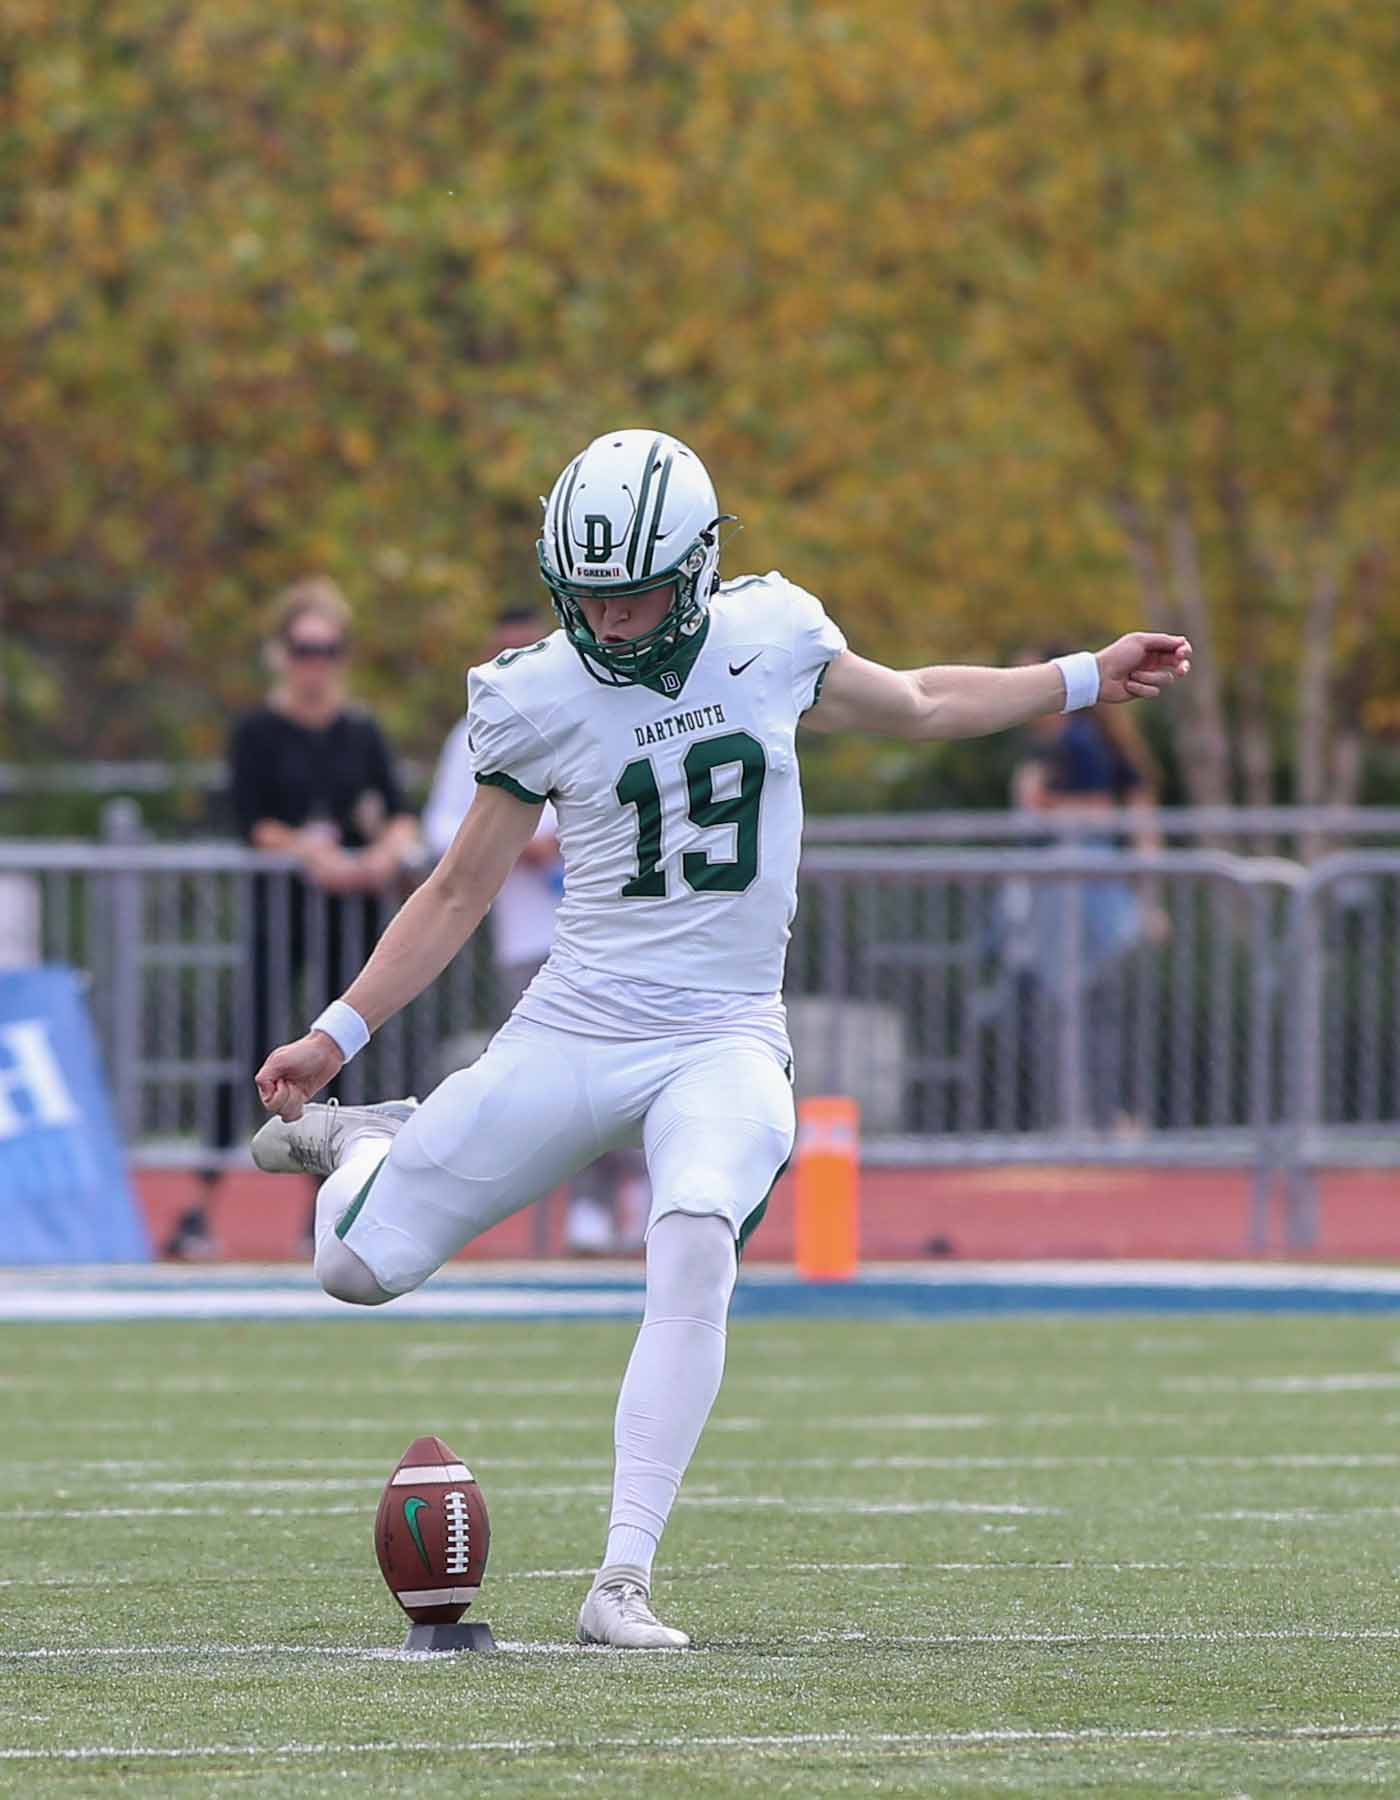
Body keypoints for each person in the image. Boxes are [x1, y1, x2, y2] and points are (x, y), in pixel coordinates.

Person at [250, 429, 1191, 1646]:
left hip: (722, 1034)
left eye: (632, 590)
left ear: (696, 566)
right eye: (585, 594)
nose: (609, 618)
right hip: (575, 1026)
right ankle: (365, 1147)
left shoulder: (772, 633)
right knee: (355, 1271)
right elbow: (453, 891)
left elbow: (914, 700)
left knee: (693, 1236)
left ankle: (619, 1582)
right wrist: (337, 1036)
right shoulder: (534, 692)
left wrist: (1078, 675)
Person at [162, 577, 418, 1258]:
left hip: (351, 925)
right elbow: (252, 824)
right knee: (251, 1051)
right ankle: (199, 1210)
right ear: (282, 653)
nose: (317, 663)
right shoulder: (258, 732)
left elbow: (398, 814)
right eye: (305, 648)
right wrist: (310, 854)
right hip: (280, 920)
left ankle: (329, 1210)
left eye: (329, 649)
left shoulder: (361, 732)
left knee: (351, 1060)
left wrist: (383, 855)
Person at [422, 605, 650, 1254]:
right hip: (530, 933)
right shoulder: (478, 727)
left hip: (612, 927)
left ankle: (644, 1193)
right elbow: (442, 827)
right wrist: (516, 843)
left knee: (627, 1067)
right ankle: (589, 1203)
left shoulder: (608, 710)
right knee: (561, 1078)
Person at [1008, 665, 1169, 1131]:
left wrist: (1039, 802)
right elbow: (1141, 826)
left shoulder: (1081, 743)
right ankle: (1094, 1116)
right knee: (1090, 1010)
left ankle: (1096, 1117)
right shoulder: (1099, 745)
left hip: (1089, 892)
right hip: (1097, 891)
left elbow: (1117, 818)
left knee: (1081, 1008)